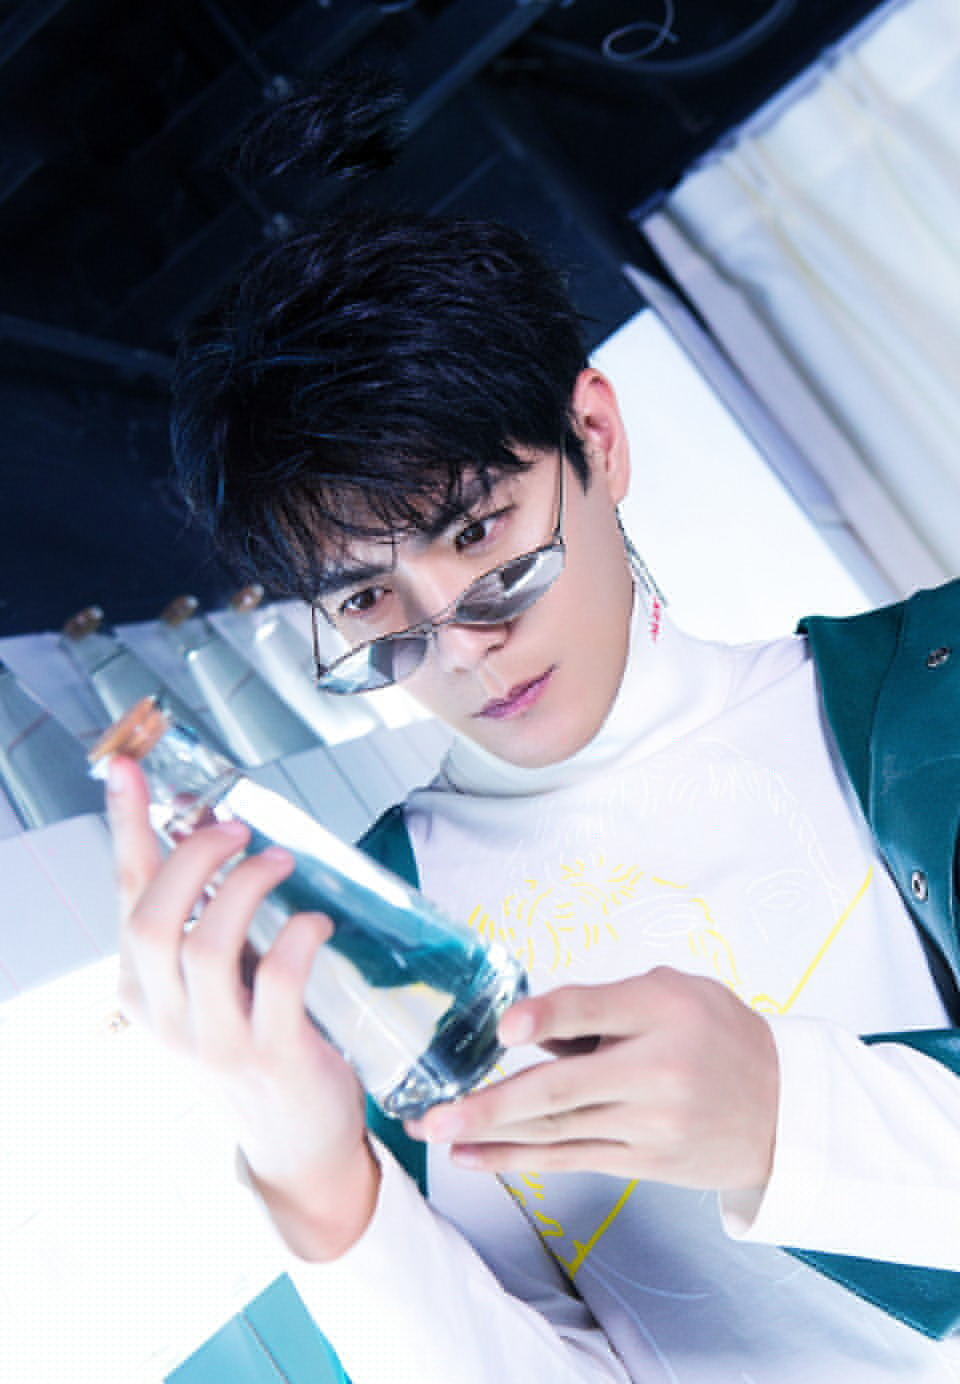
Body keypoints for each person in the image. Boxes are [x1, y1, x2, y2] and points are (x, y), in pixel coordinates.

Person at [108, 98, 960, 1383]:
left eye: (480, 535)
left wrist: (783, 1114)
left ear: (596, 439)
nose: (459, 645)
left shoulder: (930, 690)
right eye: (368, 600)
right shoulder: (368, 939)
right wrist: (319, 1180)